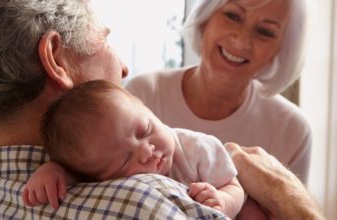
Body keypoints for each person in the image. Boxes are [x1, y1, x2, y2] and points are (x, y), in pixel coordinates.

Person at [0, 0, 324, 219]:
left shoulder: (10, 186)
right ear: (57, 59)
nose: (125, 70)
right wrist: (296, 204)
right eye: (106, 41)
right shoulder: (150, 203)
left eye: (266, 31)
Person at [125, 0, 311, 217]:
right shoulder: (144, 93)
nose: (241, 41)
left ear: (281, 49)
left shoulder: (292, 129)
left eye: (264, 32)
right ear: (205, 20)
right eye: (233, 16)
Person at [22, 80, 250, 219]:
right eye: (124, 161)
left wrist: (223, 200)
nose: (146, 151)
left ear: (147, 108)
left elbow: (234, 185)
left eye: (144, 130)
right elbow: (83, 179)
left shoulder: (197, 148)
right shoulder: (98, 175)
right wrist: (55, 171)